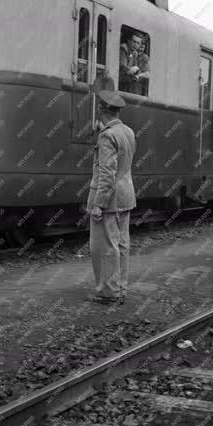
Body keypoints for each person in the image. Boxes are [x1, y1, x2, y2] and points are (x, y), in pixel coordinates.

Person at [86, 90, 136, 304]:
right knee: (121, 245)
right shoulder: (127, 131)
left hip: (110, 198)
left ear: (101, 109)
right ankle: (120, 288)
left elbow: (107, 173)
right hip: (126, 196)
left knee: (105, 246)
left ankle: (108, 292)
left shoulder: (107, 135)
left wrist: (99, 204)